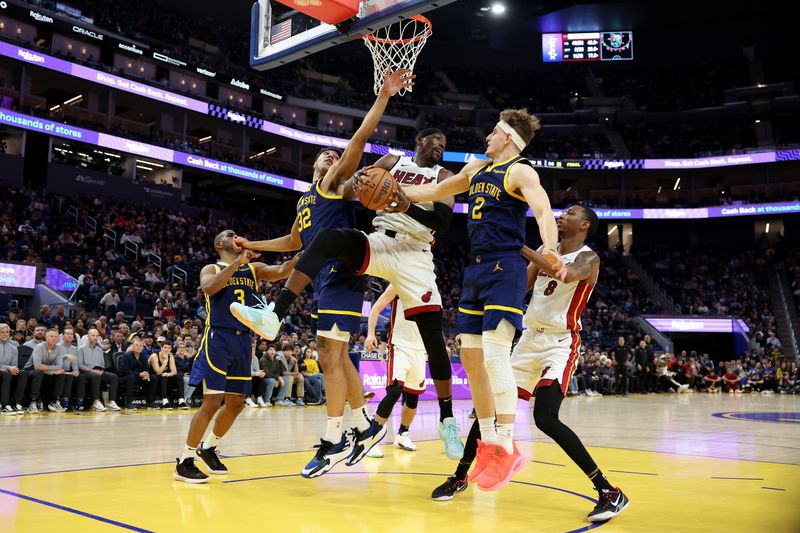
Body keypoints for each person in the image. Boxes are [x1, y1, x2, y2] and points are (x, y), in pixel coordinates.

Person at [231, 69, 418, 478]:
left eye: (335, 157)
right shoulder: (305, 198)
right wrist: (252, 245)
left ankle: (334, 439)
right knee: (335, 356)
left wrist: (384, 96)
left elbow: (359, 139)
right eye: (325, 156)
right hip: (325, 278)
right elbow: (294, 242)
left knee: (331, 358)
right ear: (313, 163)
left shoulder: (335, 184)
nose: (332, 158)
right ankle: (366, 425)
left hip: (345, 273)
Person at [389, 109, 562, 491]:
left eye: (493, 133)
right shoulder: (476, 169)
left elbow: (543, 209)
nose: (486, 137)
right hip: (476, 269)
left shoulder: (520, 170)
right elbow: (434, 191)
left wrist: (549, 247)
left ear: (508, 139)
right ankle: (489, 442)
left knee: (496, 354)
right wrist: (396, 194)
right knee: (471, 358)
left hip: (505, 267)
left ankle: (506, 444)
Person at [434, 205, 630, 522]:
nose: (561, 216)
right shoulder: (544, 250)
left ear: (583, 224)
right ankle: (459, 476)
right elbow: (520, 287)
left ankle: (608, 490)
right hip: (528, 341)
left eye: (569, 213)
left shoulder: (588, 258)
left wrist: (518, 245)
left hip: (559, 343)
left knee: (545, 418)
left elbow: (562, 274)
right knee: (491, 408)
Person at [172, 230, 297, 484]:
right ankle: (184, 461)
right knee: (211, 402)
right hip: (218, 338)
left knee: (237, 403)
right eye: (230, 235)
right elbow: (208, 287)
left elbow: (283, 270)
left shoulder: (254, 269)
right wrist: (239, 262)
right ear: (220, 244)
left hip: (243, 341)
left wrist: (311, 251)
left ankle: (208, 448)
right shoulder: (211, 267)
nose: (236, 236)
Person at [365, 284, 424, 454]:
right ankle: (371, 438)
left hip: (420, 349)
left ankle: (403, 434)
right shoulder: (399, 282)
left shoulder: (430, 287)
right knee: (395, 391)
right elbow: (376, 308)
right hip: (399, 346)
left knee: (413, 397)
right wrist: (370, 333)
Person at [76, 327, 121, 411]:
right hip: (85, 372)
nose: (95, 337)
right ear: (88, 336)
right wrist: (93, 371)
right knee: (95, 375)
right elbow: (79, 365)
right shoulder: (80, 349)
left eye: (97, 336)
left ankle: (111, 402)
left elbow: (102, 364)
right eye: (93, 335)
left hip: (97, 372)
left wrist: (101, 370)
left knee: (114, 377)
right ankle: (95, 402)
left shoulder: (99, 350)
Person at [0, 323, 24, 415]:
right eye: (2, 332)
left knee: (22, 373)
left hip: (7, 371)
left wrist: (13, 368)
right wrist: (8, 367)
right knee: (6, 374)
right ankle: (5, 404)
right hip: (3, 371)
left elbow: (14, 365)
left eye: (7, 332)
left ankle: (17, 403)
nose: (5, 334)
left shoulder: (14, 347)